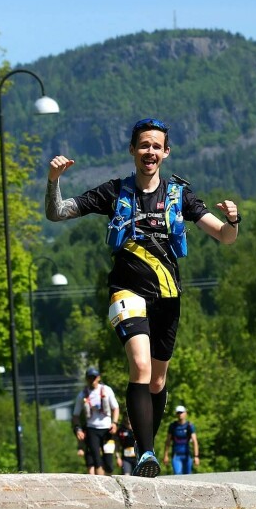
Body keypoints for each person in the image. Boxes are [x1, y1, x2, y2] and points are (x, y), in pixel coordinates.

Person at [47, 118, 241, 478]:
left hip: (168, 297)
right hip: (127, 291)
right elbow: (57, 213)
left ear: (165, 153)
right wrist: (54, 181)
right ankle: (146, 452)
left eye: (156, 146)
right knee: (140, 366)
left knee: (157, 382)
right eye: (143, 145)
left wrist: (233, 221)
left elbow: (225, 237)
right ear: (132, 151)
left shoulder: (179, 195)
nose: (149, 152)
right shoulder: (114, 191)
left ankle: (147, 446)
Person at [71, 367, 120, 476]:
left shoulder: (107, 390)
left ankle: (109, 480)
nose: (92, 380)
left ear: (98, 378)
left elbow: (115, 408)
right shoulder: (82, 395)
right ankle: (101, 487)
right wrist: (78, 429)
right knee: (97, 460)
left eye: (94, 377)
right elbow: (75, 415)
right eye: (89, 378)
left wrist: (115, 423)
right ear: (86, 379)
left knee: (108, 464)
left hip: (108, 430)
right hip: (92, 429)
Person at [163, 405, 200, 474]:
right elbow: (168, 442)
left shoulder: (189, 426)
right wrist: (166, 455)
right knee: (178, 475)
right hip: (176, 456)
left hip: (187, 456)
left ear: (185, 413)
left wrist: (196, 456)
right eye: (178, 413)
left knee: (188, 476)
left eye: (181, 412)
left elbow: (194, 441)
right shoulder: (173, 426)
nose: (180, 414)